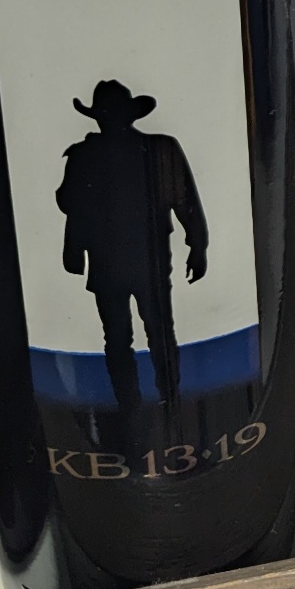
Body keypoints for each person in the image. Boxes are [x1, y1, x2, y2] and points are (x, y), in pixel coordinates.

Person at [57, 79, 208, 417]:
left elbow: (185, 201)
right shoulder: (144, 149)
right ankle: (149, 403)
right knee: (139, 334)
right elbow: (72, 205)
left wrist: (198, 245)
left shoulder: (102, 153)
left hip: (133, 260)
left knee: (137, 335)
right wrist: (197, 246)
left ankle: (151, 402)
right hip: (129, 259)